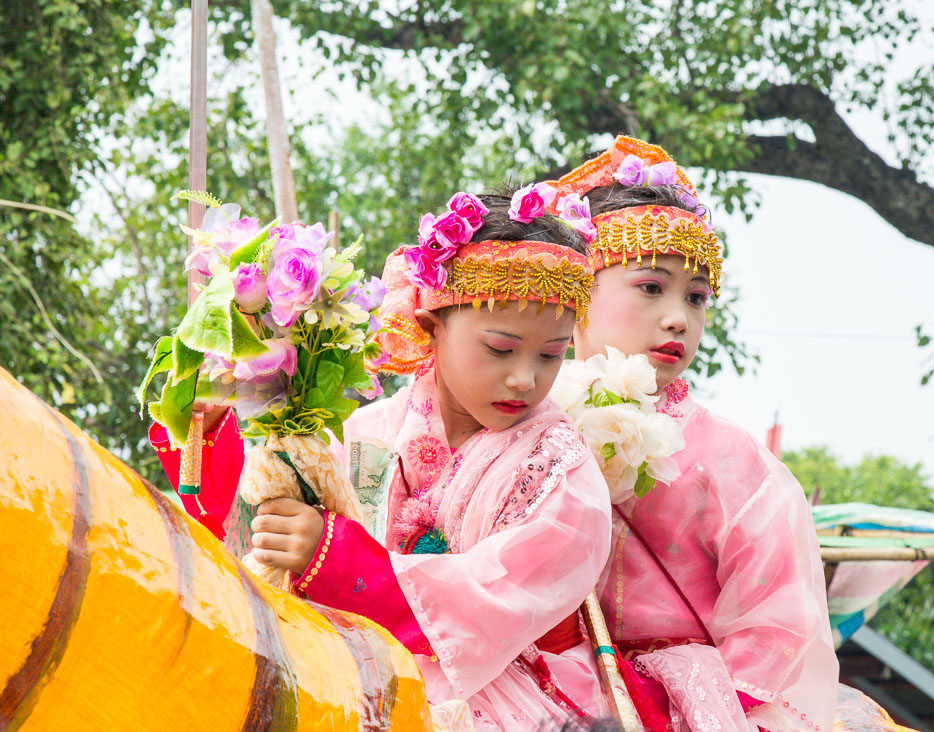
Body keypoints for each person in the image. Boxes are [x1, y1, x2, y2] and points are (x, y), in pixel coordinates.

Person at [150, 187, 614, 729]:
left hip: (501, 696)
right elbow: (254, 541)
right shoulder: (366, 431)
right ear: (429, 323)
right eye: (501, 348)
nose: (525, 378)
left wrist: (334, 554)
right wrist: (211, 441)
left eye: (551, 355)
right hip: (352, 667)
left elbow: (487, 598)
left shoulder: (564, 472)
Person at [550, 136, 838, 731]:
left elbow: (779, 622)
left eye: (697, 297)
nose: (680, 317)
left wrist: (688, 706)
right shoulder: (520, 426)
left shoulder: (732, 460)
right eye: (651, 287)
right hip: (539, 694)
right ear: (579, 291)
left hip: (691, 711)